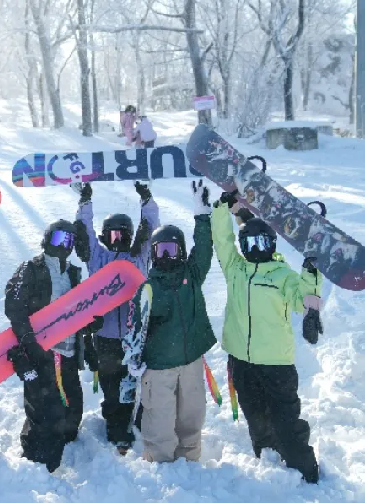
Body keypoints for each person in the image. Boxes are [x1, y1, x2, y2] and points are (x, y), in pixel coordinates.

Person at [212, 190, 322, 483]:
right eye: (248, 242)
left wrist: (311, 300)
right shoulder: (235, 269)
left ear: (271, 244)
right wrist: (224, 209)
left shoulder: (282, 275)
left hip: (276, 364)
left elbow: (303, 297)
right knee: (257, 420)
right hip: (242, 361)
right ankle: (268, 463)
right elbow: (222, 241)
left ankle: (306, 472)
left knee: (286, 424)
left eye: (261, 241)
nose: (254, 247)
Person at [123, 180, 217, 463]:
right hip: (159, 369)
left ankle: (190, 461)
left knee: (192, 417)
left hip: (190, 363)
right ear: (152, 254)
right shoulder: (148, 289)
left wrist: (202, 215)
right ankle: (159, 466)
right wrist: (133, 357)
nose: (166, 256)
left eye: (171, 251)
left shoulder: (192, 275)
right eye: (160, 251)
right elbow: (135, 329)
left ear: (181, 252)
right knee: (160, 422)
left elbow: (204, 248)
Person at [4, 219, 103, 473]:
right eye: (60, 238)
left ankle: (63, 440)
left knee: (72, 409)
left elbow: (79, 311)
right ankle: (36, 456)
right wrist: (29, 343)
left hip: (68, 352)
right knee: (43, 410)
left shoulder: (73, 273)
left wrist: (89, 326)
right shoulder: (32, 268)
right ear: (48, 239)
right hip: (43, 352)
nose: (64, 245)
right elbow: (14, 307)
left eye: (69, 241)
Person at [72, 180, 160, 453]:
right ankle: (116, 426)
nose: (118, 241)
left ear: (131, 236)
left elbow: (151, 225)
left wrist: (146, 198)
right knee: (112, 385)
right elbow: (83, 233)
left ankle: (142, 422)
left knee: (140, 383)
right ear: (105, 238)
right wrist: (85, 201)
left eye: (123, 235)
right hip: (107, 337)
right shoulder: (98, 259)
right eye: (112, 236)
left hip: (136, 338)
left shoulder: (140, 256)